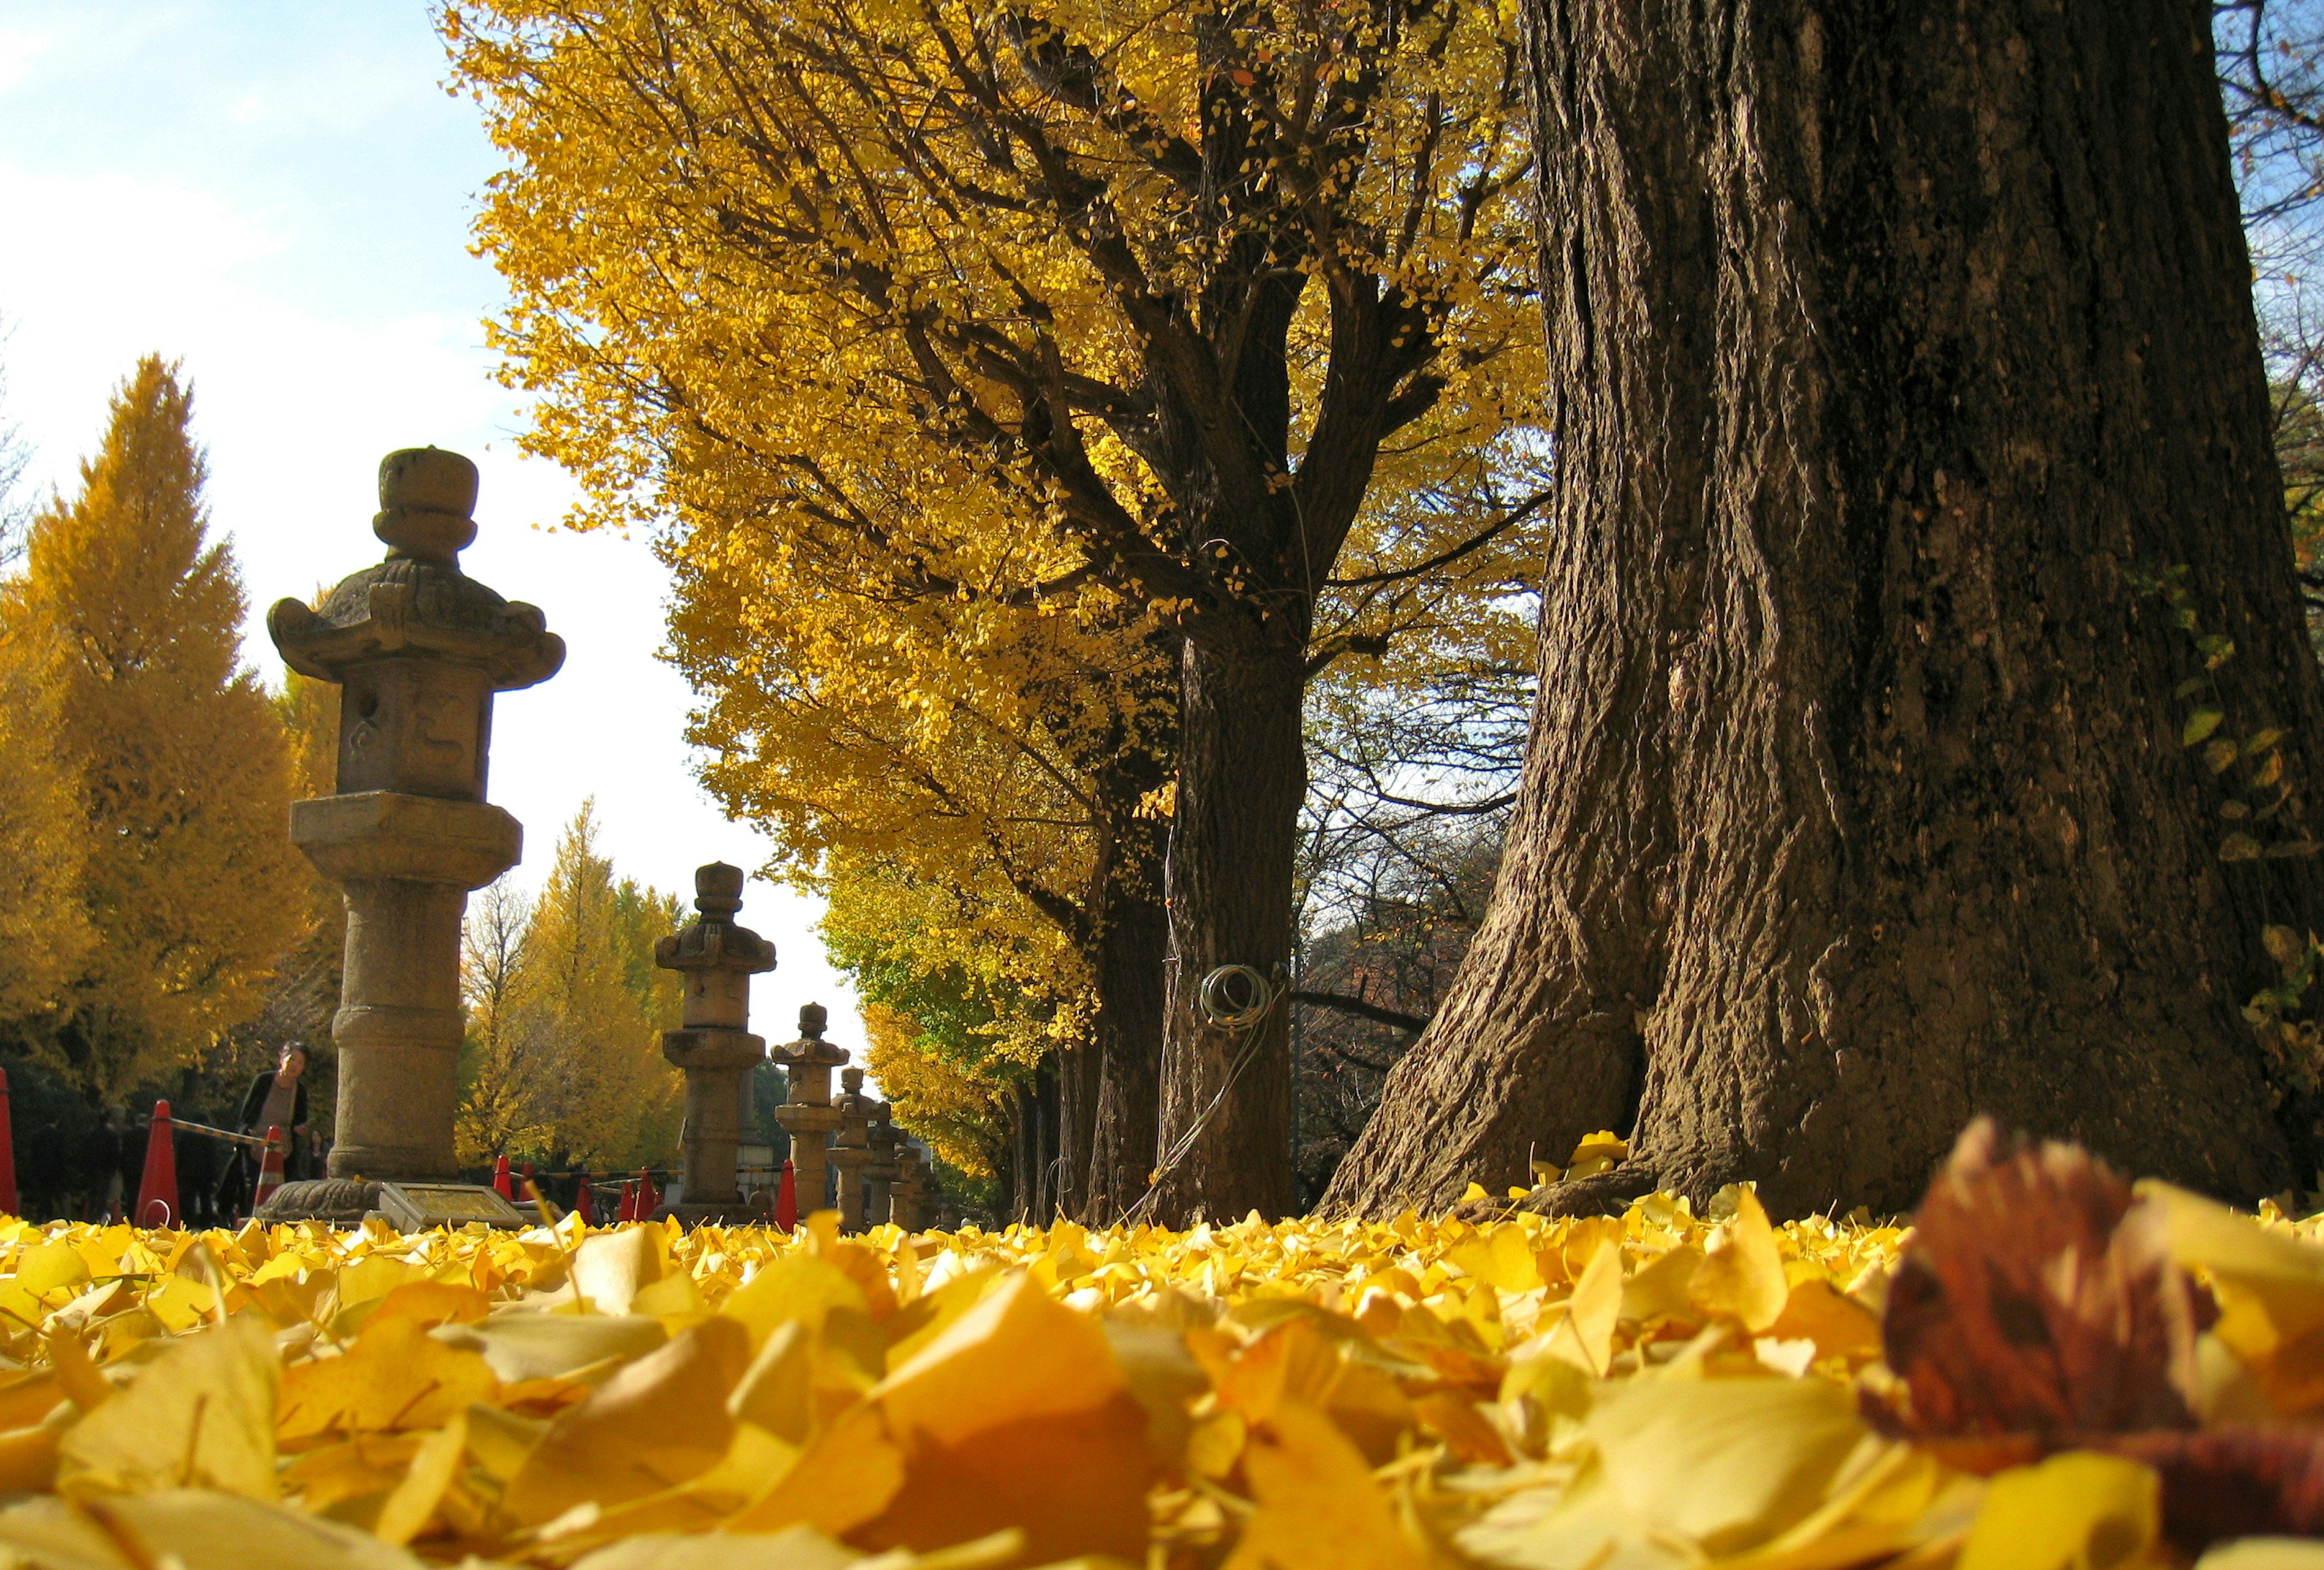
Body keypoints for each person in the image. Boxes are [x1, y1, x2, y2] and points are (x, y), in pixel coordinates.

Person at [215, 1043, 311, 1220]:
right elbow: (248, 1112)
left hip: (283, 1150)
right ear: (282, 1059)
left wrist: (299, 1129)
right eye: (292, 1059)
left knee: (279, 1193)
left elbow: (299, 1121)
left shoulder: (300, 1092)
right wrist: (243, 1138)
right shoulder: (263, 1081)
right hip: (255, 1145)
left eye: (301, 1062)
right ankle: (248, 1224)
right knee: (252, 1188)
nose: (295, 1065)